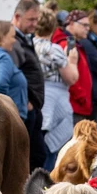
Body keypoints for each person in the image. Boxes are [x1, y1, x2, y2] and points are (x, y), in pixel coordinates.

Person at [34, 9, 78, 172]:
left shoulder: (29, 45)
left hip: (37, 99)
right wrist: (72, 61)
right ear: (53, 27)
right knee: (51, 151)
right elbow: (71, 78)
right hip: (55, 98)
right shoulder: (53, 49)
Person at [10, 0, 46, 170]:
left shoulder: (24, 37)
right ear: (17, 17)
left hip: (33, 108)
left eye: (36, 19)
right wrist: (24, 103)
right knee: (32, 158)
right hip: (25, 109)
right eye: (31, 19)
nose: (35, 24)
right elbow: (11, 76)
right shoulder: (13, 41)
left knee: (38, 155)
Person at [53, 10, 94, 124]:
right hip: (75, 106)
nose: (87, 28)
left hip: (78, 105)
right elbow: (68, 76)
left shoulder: (75, 44)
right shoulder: (66, 45)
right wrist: (82, 98)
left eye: (88, 25)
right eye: (84, 25)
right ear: (70, 24)